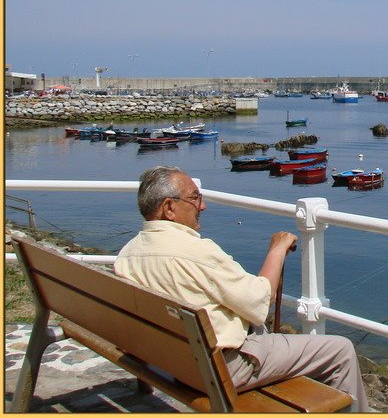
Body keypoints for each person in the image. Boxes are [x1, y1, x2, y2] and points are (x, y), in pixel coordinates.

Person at [114, 166, 369, 412]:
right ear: (169, 208)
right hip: (217, 370)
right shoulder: (196, 252)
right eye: (194, 198)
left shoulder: (128, 254)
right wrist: (277, 249)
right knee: (341, 350)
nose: (202, 206)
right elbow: (260, 301)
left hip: (169, 359)